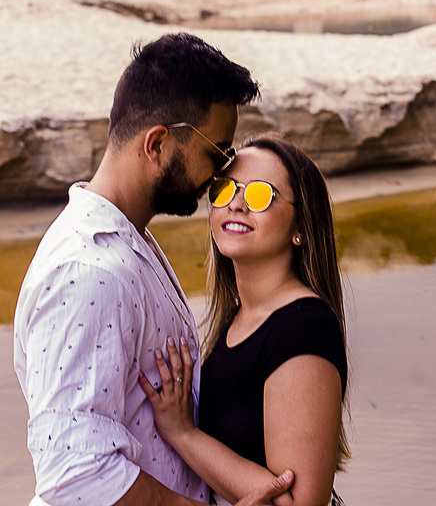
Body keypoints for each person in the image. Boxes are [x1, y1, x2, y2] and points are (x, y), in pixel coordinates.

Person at [13, 32, 294, 506]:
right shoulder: (89, 271)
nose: (222, 176)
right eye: (218, 153)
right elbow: (75, 472)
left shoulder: (128, 239)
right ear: (158, 143)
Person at [138, 134, 349, 506]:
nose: (236, 204)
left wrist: (185, 434)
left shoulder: (303, 326)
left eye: (260, 195)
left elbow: (298, 503)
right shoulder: (235, 320)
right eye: (224, 190)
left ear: (301, 228)